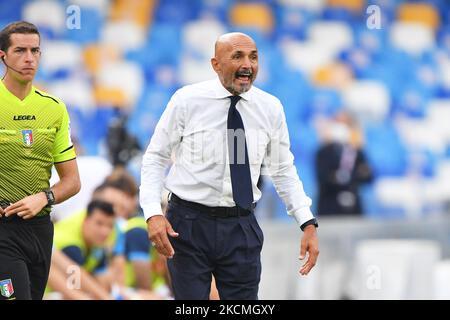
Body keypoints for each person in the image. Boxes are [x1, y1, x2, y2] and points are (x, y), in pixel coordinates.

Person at [140, 32, 319, 300]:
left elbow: (283, 169)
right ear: (216, 64)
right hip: (187, 224)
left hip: (241, 225)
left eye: (253, 57)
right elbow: (155, 157)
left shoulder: (270, 108)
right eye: (237, 56)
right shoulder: (186, 100)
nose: (247, 64)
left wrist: (307, 222)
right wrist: (153, 213)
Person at [0, 21, 81, 300]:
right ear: (3, 56)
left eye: (35, 51)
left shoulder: (54, 108)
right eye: (20, 50)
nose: (29, 58)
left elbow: (72, 182)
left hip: (40, 230)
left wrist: (44, 198)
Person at [50, 200, 116, 297]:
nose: (105, 231)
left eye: (110, 226)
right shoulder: (70, 244)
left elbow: (104, 282)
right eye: (99, 224)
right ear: (86, 221)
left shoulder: (97, 244)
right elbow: (76, 284)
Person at [315, 112, 373, 215]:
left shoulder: (357, 152)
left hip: (353, 207)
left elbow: (368, 176)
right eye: (338, 123)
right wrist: (352, 176)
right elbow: (323, 178)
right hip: (329, 207)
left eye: (345, 124)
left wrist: (341, 177)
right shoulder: (323, 152)